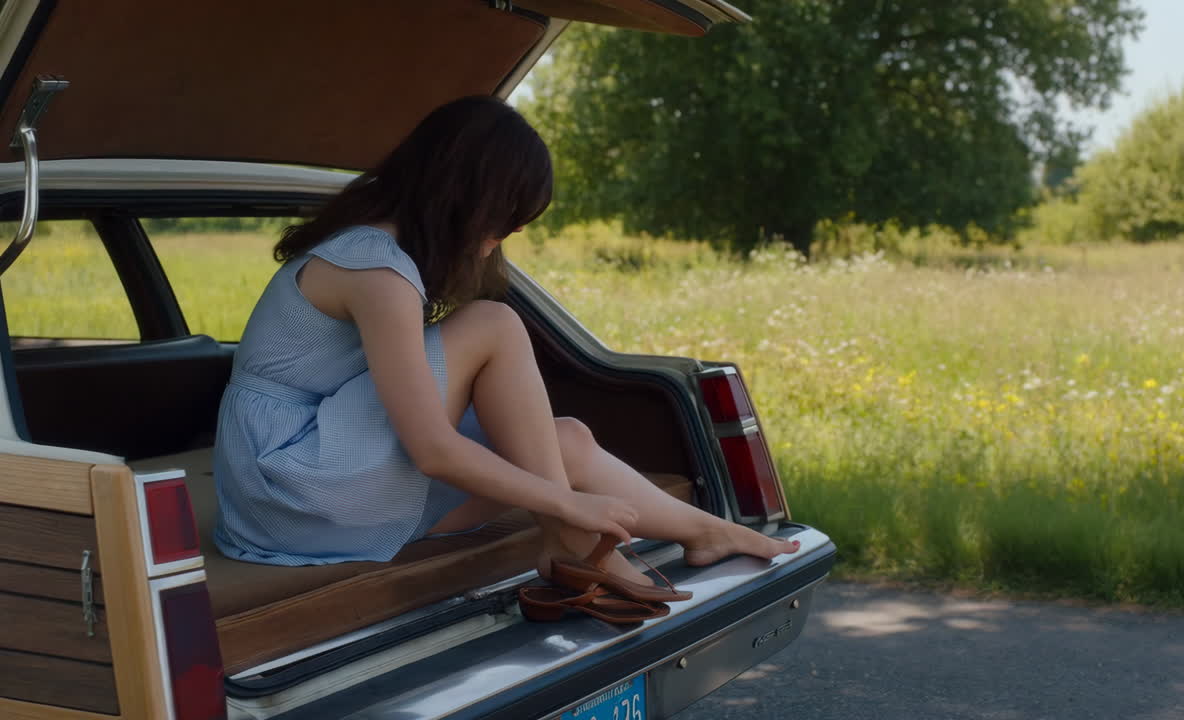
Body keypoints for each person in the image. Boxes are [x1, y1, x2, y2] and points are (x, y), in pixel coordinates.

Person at [212, 96, 798, 588]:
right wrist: (568, 504)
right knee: (493, 323)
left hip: (295, 498)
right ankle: (572, 542)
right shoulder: (376, 269)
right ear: (465, 195)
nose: (513, 229)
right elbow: (432, 451)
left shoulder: (377, 253)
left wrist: (560, 495)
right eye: (510, 213)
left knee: (565, 442)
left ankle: (708, 532)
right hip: (293, 483)